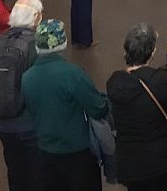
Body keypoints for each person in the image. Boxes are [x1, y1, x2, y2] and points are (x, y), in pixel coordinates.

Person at [21, 18, 108, 191]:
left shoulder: (27, 77)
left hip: (46, 149)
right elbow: (98, 108)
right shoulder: (73, 74)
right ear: (63, 42)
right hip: (77, 150)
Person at [107, 22, 167, 191]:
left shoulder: (115, 83)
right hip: (161, 160)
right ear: (152, 53)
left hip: (131, 162)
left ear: (126, 51)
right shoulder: (160, 80)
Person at [0, 0, 45, 191]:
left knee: (15, 169)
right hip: (29, 122)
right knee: (37, 172)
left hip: (3, 122)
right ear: (35, 18)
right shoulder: (34, 45)